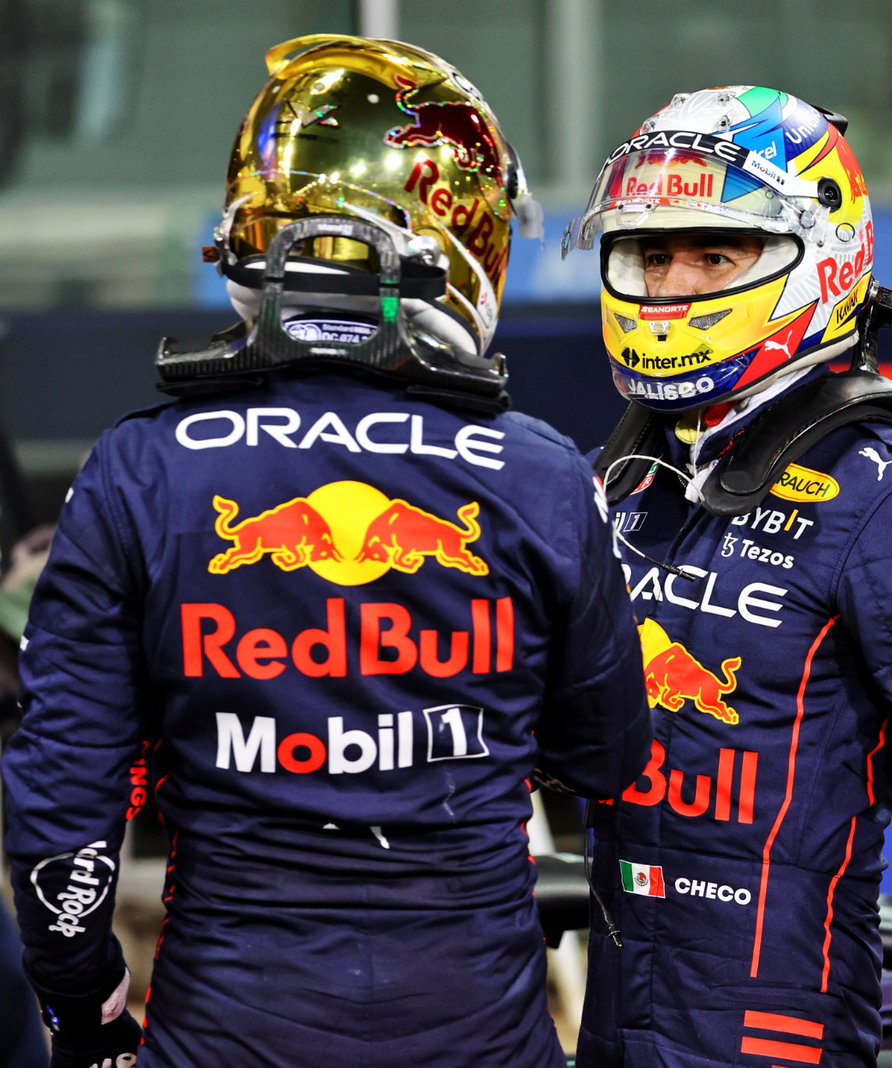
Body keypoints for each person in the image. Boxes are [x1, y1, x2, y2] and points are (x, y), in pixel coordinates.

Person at [2, 34, 648, 1067]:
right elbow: (604, 757)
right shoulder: (541, 474)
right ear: (459, 234)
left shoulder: (138, 468)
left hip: (226, 1035)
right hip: (479, 1037)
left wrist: (86, 1015)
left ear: (249, 234)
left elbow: (60, 815)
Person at [563, 86, 892, 1066]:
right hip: (616, 1015)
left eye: (715, 254)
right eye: (650, 254)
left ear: (819, 256)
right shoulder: (620, 474)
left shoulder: (889, 495)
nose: (668, 286)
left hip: (771, 1027)